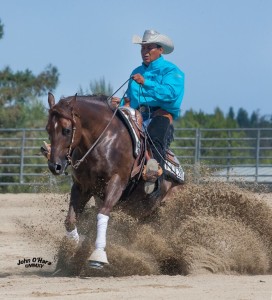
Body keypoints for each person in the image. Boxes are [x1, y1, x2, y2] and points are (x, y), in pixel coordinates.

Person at [113, 29, 185, 195]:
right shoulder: (136, 71)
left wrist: (146, 82)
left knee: (154, 137)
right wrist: (121, 103)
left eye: (149, 48)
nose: (145, 52)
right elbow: (131, 98)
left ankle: (154, 178)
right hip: (138, 115)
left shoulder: (171, 71)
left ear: (160, 50)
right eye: (143, 48)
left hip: (161, 116)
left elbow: (170, 94)